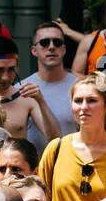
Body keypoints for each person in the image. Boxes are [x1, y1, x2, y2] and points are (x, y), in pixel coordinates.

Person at [0, 37, 59, 144]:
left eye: (11, 69)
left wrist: (41, 101)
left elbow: (55, 139)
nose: (5, 77)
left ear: (18, 66)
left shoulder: (26, 98)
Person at [20, 21, 78, 152]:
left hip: (71, 165)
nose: (51, 47)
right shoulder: (22, 89)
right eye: (44, 43)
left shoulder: (80, 87)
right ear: (34, 50)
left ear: (63, 49)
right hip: (34, 169)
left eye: (57, 42)